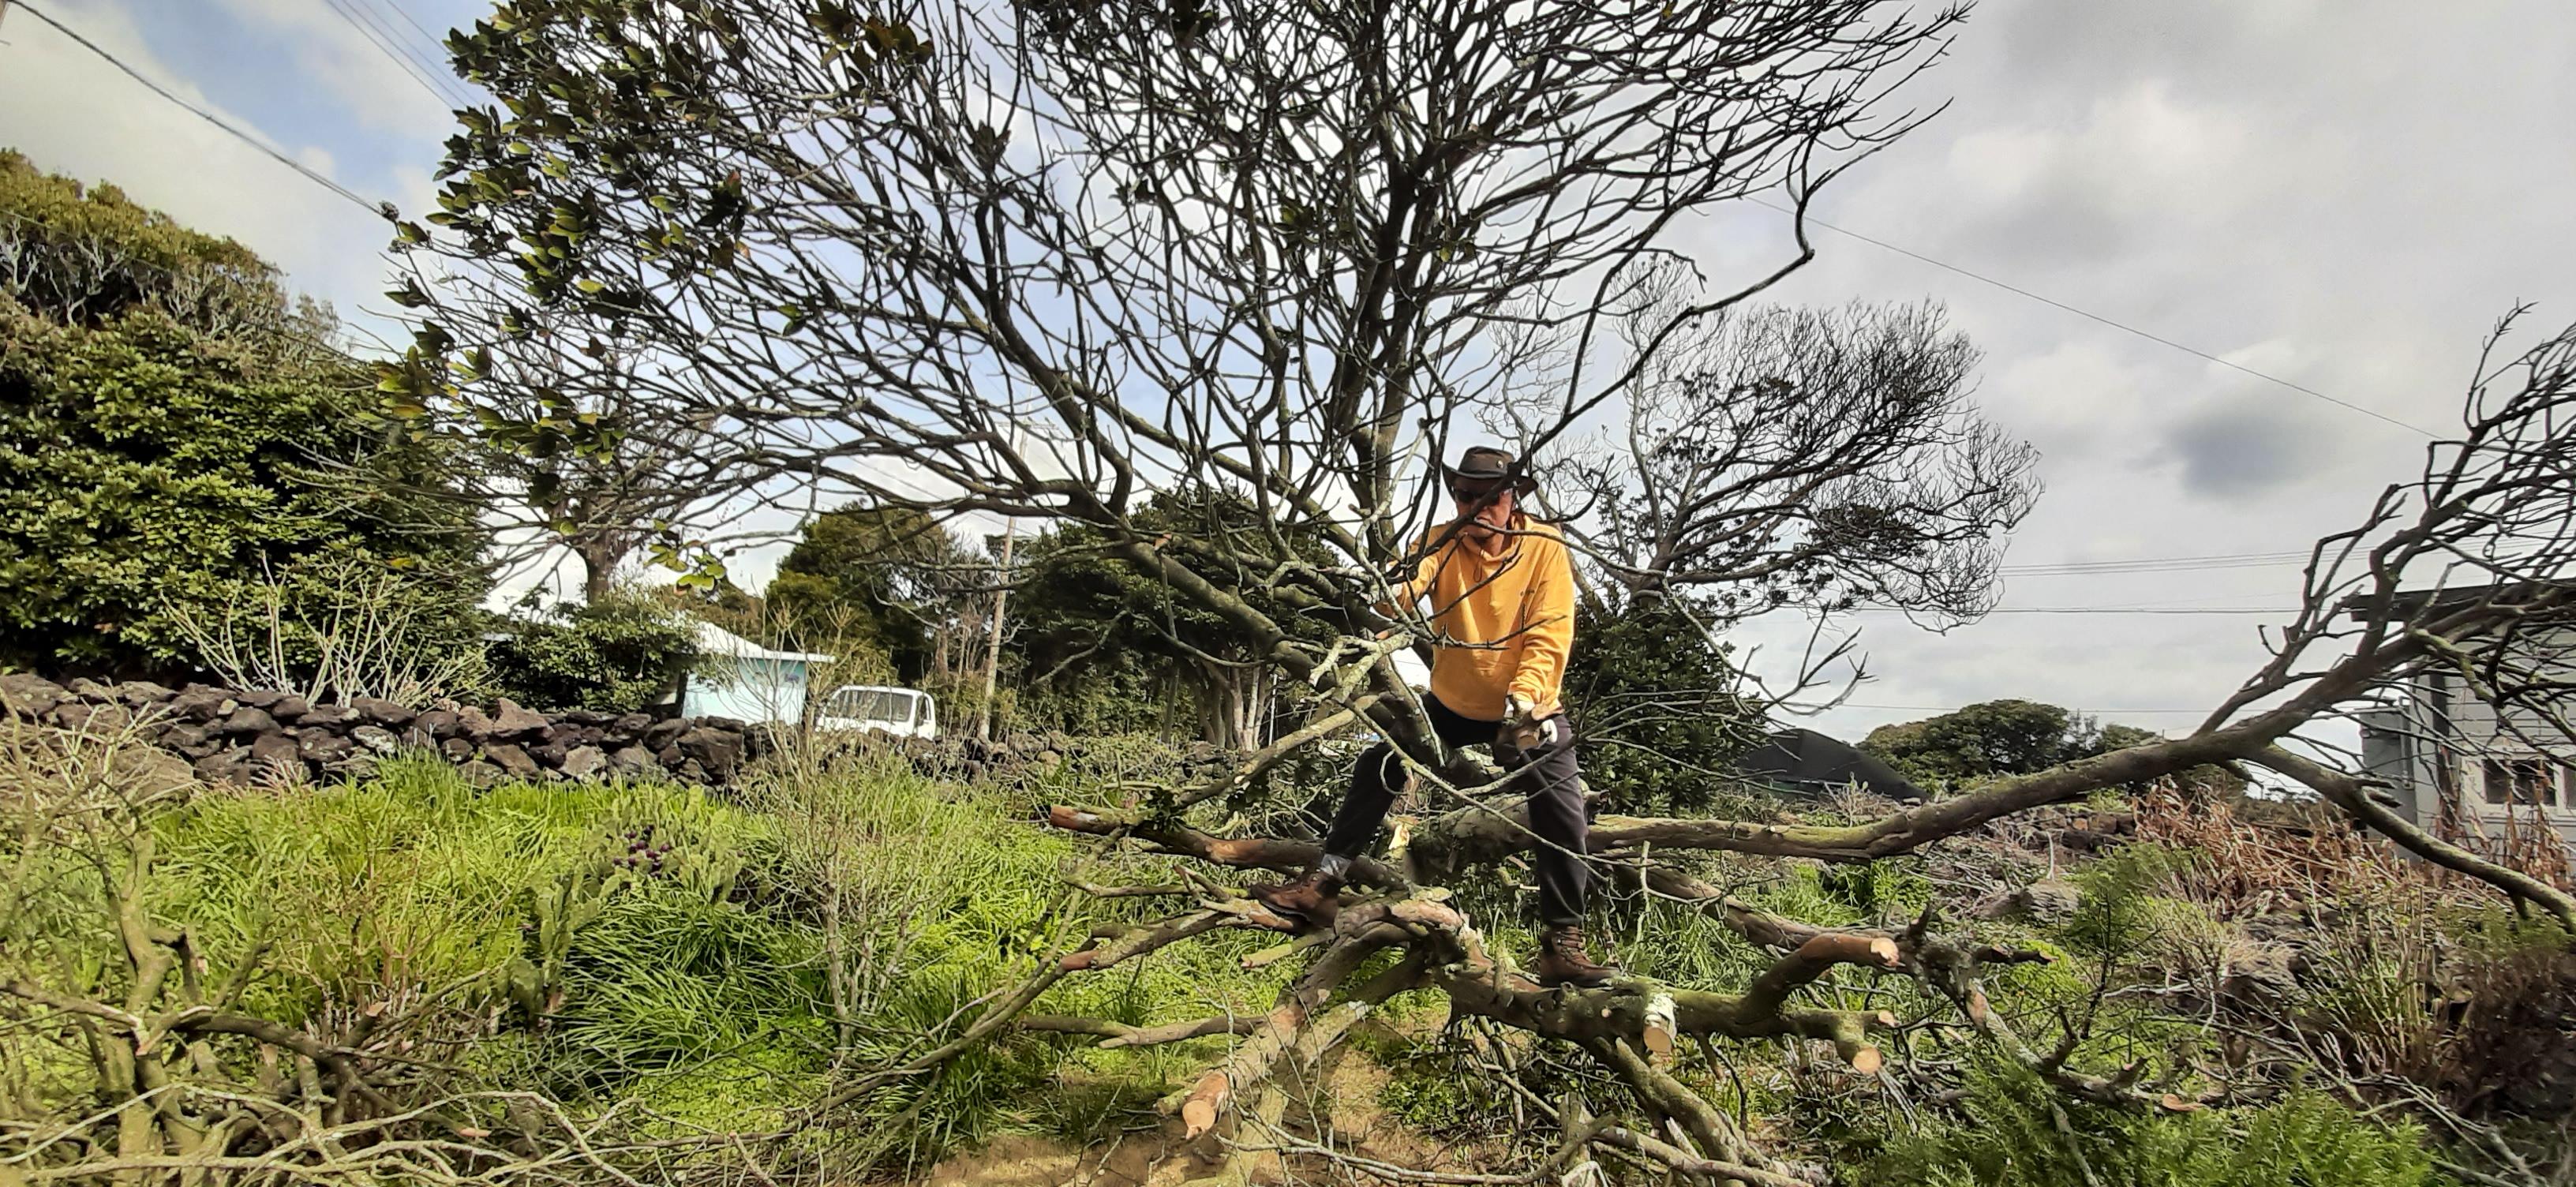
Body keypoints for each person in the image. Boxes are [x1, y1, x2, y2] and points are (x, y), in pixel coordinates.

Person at [1253, 446, 1618, 988]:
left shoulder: (1543, 546)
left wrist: (1523, 699)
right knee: (1379, 764)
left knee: (1563, 809)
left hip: (1527, 708)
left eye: (1489, 497)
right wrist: (1379, 587)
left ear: (1511, 497)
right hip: (1452, 705)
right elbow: (1399, 597)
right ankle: (1322, 886)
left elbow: (1549, 631)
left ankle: (1561, 943)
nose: (1476, 508)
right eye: (1465, 495)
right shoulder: (1440, 542)